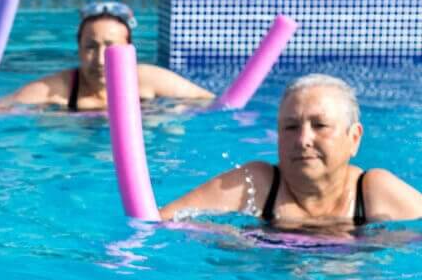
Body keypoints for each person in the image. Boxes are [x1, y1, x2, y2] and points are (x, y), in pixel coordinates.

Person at [161, 74, 422, 227]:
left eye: (320, 125)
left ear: (354, 138)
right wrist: (226, 236)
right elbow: (162, 222)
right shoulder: (255, 185)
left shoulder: (372, 191)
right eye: (290, 127)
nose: (303, 139)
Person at [0, 1, 212, 111]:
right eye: (90, 47)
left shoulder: (147, 80)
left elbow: (212, 103)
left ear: (130, 51)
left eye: (111, 48)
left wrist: (170, 111)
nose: (100, 60)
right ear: (78, 49)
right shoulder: (59, 88)